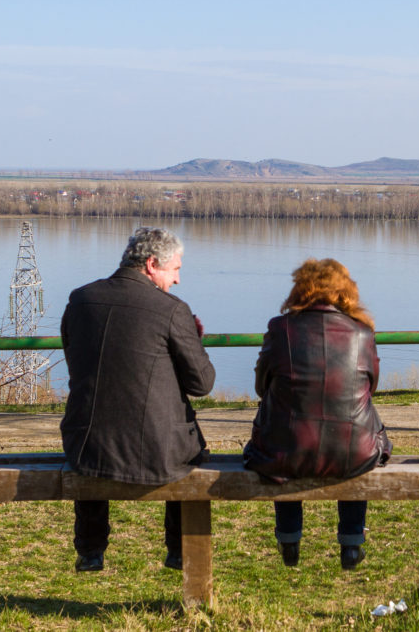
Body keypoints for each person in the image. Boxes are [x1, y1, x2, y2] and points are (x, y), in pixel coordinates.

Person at [60, 226, 215, 572]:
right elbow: (202, 383)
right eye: (175, 269)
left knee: (98, 440)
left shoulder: (80, 300)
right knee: (186, 448)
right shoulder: (172, 310)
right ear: (151, 264)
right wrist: (192, 339)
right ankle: (178, 550)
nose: (177, 280)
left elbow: (76, 365)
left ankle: (90, 548)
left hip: (86, 444)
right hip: (157, 450)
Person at [243, 258, 391, 570]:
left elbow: (261, 386)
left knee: (285, 437)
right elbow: (371, 386)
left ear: (300, 289)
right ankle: (351, 541)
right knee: (354, 433)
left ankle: (289, 537)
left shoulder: (280, 328)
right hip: (354, 452)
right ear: (346, 292)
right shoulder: (363, 333)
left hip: (286, 451)